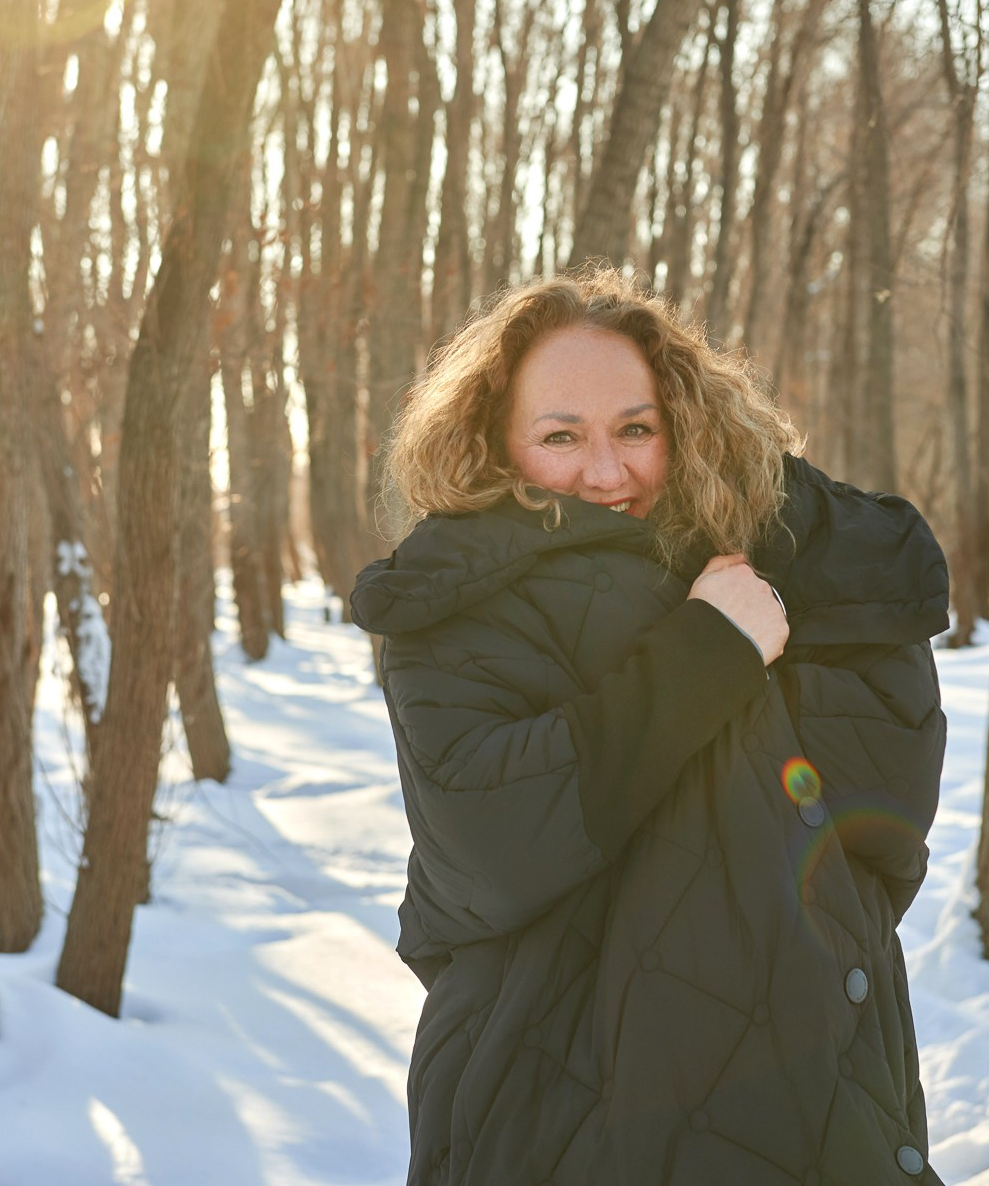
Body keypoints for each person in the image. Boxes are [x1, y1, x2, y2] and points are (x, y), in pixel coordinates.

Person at [352, 268, 950, 1185]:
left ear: (684, 426)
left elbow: (888, 806)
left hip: (813, 1084)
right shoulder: (456, 605)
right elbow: (491, 842)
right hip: (554, 1104)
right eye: (561, 436)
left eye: (637, 428)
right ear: (496, 444)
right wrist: (708, 652)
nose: (606, 470)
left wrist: (755, 498)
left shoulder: (748, 561)